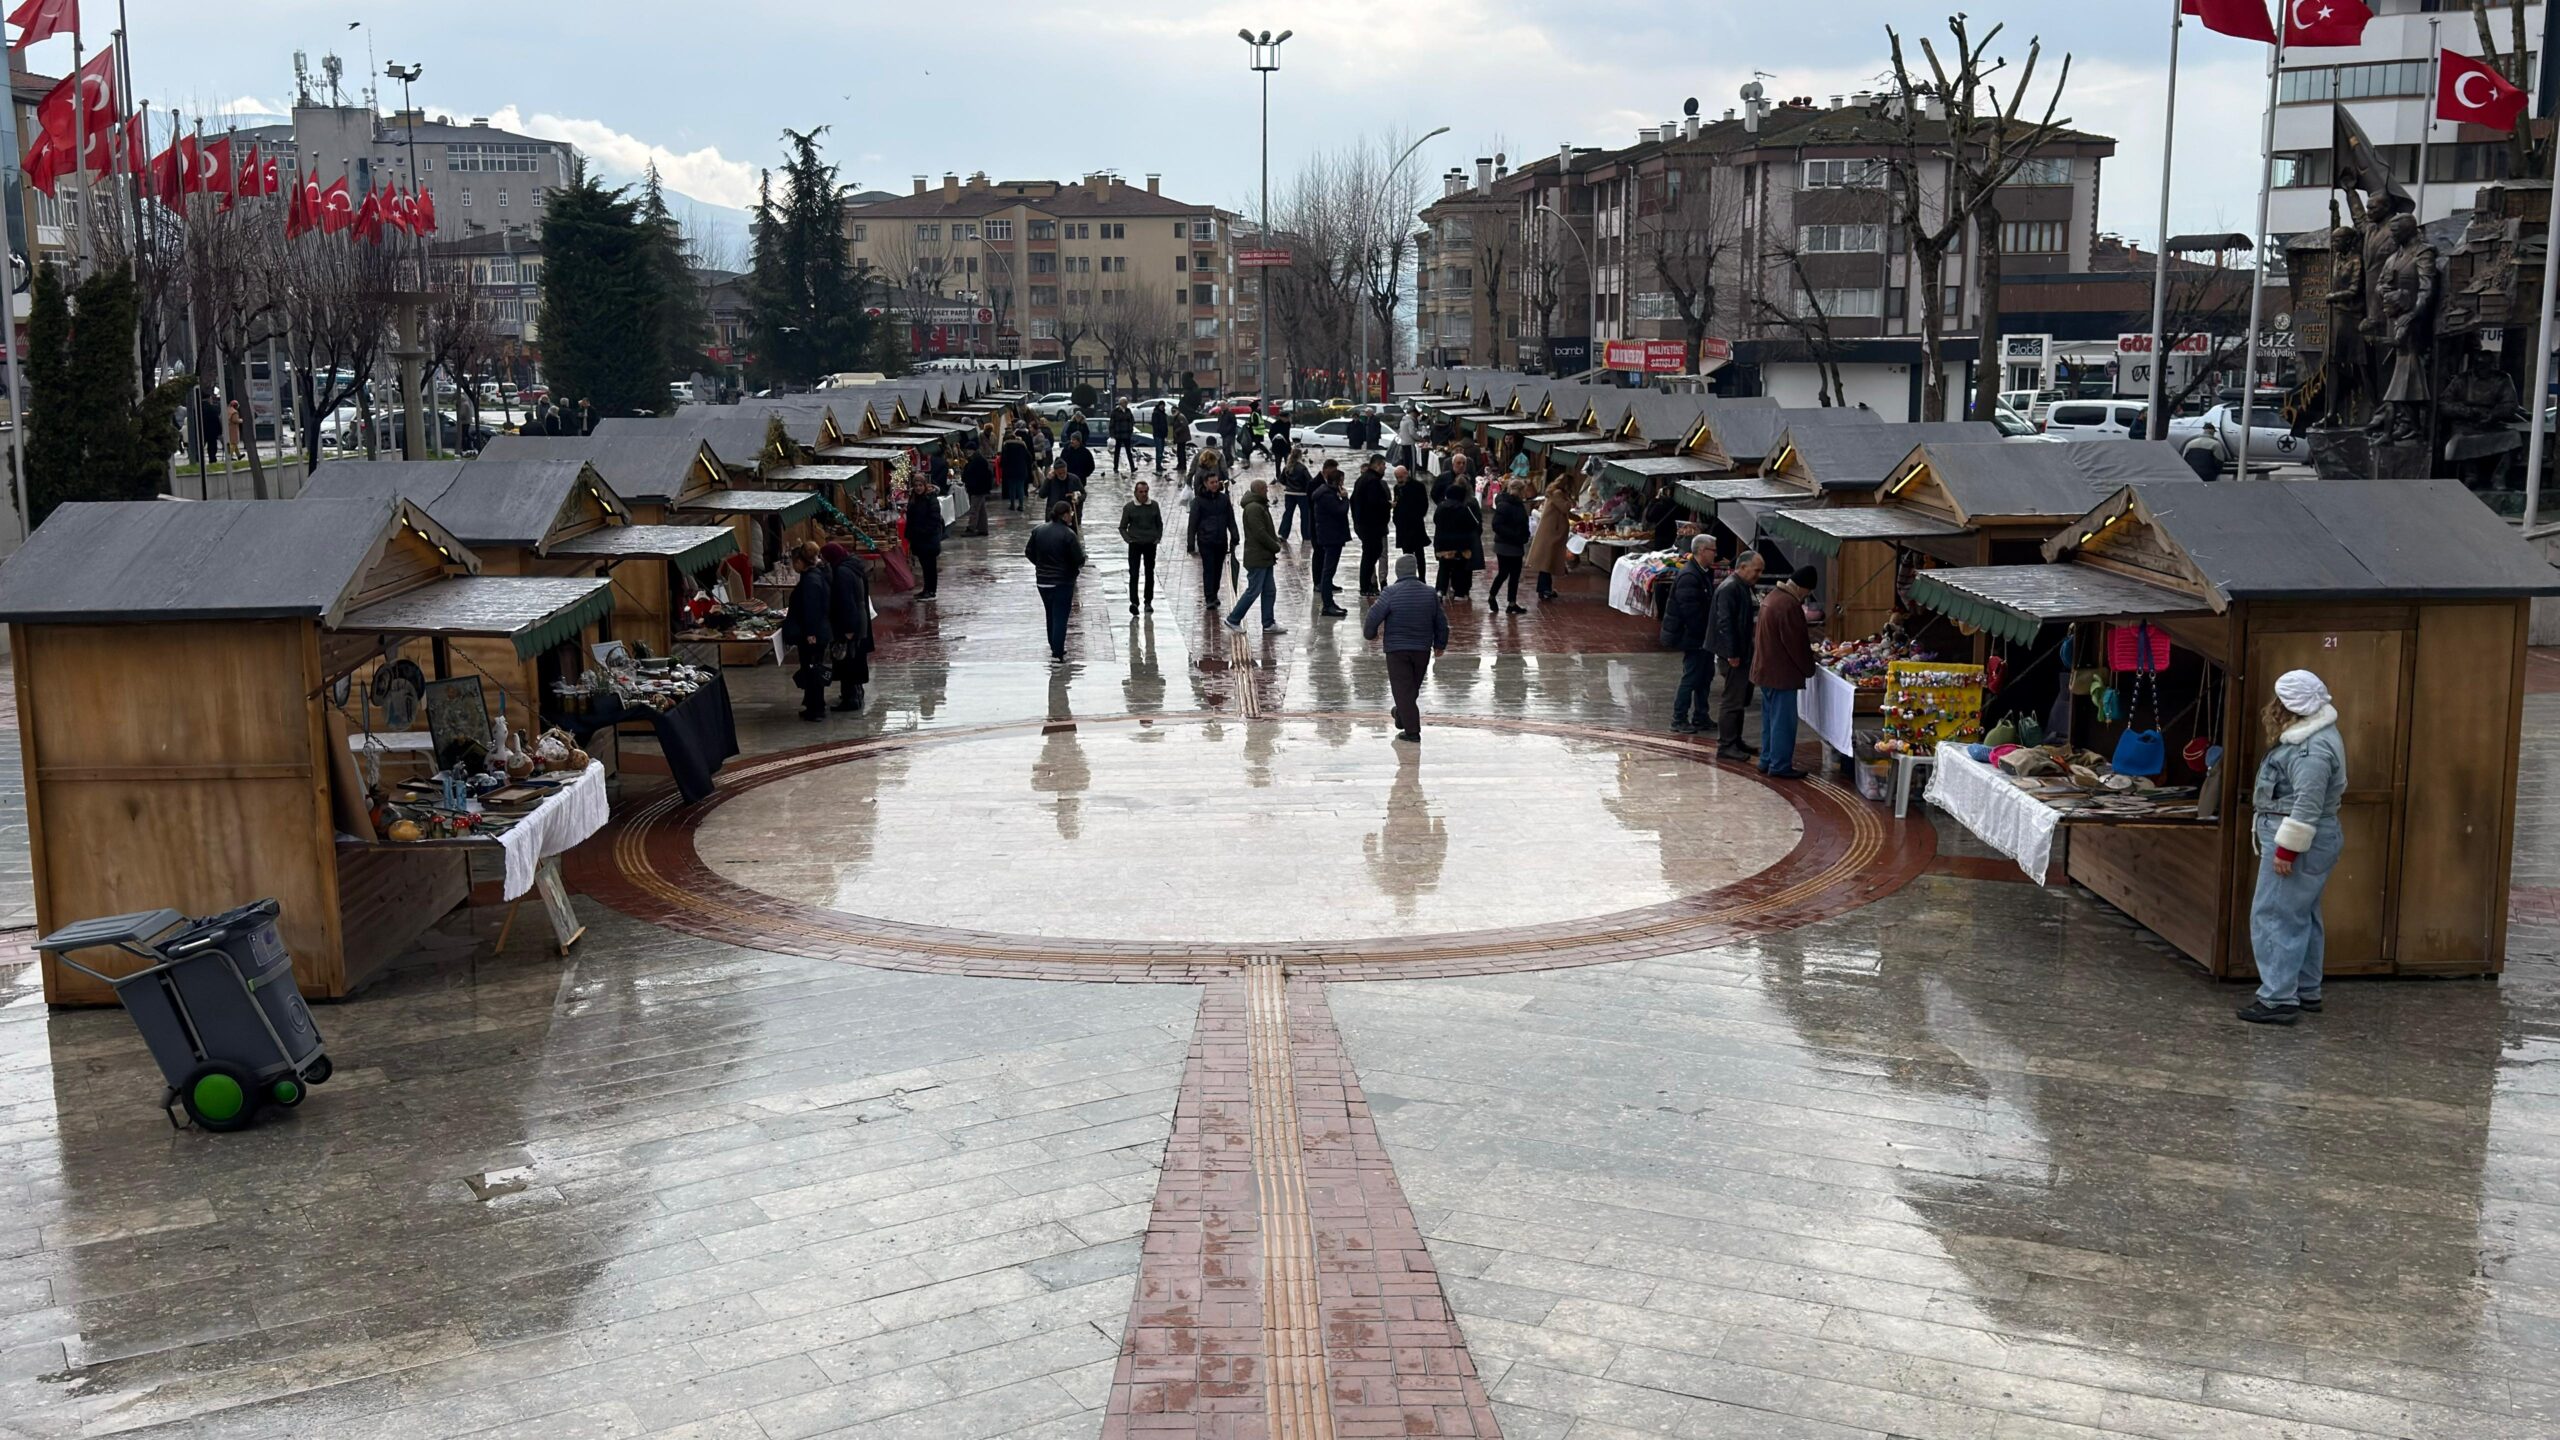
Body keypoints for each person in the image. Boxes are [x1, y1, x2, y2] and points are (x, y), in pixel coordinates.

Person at [2238, 670, 2349, 1026]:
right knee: (2302, 913)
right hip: (2311, 836)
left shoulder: (2309, 748)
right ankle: (2304, 989)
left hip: (2296, 837)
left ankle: (2277, 998)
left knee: (2275, 914)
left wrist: (2286, 850)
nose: (2273, 708)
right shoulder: (2319, 735)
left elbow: (2307, 802)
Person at [1363, 555, 1449, 744]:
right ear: (1415, 570)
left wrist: (1370, 634)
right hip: (1421, 649)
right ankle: (1401, 714)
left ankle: (1412, 732)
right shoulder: (1429, 593)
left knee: (1403, 690)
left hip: (1397, 649)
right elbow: (1441, 622)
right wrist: (1440, 644)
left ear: (1398, 572)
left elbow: (1373, 615)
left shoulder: (1390, 592)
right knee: (1410, 689)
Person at [1749, 565, 1818, 779]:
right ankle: (1779, 764)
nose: (1805, 597)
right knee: (1783, 722)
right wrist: (1809, 668)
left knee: (1770, 719)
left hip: (1766, 670)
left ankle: (1767, 759)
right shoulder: (1789, 605)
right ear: (1801, 587)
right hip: (1782, 674)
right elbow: (1796, 644)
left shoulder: (1773, 597)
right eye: (1806, 593)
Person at [1706, 551, 1764, 761]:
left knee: (1740, 699)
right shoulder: (1730, 588)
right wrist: (1732, 653)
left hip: (1744, 652)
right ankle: (1726, 744)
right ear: (1743, 567)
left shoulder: (1744, 587)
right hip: (1733, 654)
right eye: (1756, 570)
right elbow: (1725, 623)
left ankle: (1736, 740)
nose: (1759, 574)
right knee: (1732, 700)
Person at [1666, 537, 1720, 735]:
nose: (1716, 554)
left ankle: (1701, 715)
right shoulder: (1690, 576)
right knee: (1691, 676)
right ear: (1702, 550)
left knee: (1705, 676)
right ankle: (1679, 718)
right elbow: (1691, 612)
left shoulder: (1702, 572)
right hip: (1694, 636)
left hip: (1702, 636)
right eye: (1713, 550)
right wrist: (1704, 634)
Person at [1026, 501, 1086, 662]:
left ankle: (1054, 646)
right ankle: (1057, 652)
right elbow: (1078, 559)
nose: (1072, 516)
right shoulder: (1069, 534)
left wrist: (1040, 565)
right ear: (1065, 515)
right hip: (1062, 581)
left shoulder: (1038, 530)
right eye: (1070, 514)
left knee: (1050, 614)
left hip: (1043, 581)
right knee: (1060, 616)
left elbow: (1029, 552)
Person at [1224, 479, 1287, 633]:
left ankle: (1268, 623)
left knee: (1269, 590)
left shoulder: (1259, 505)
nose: (1267, 491)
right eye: (1265, 489)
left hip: (1265, 557)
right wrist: (1275, 545)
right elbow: (1260, 532)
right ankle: (1233, 619)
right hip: (1258, 556)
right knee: (1254, 590)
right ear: (1259, 490)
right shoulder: (1253, 508)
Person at [781, 541, 833, 722]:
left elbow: (812, 608)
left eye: (795, 561)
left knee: (812, 669)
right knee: (812, 668)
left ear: (802, 561)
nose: (793, 565)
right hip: (818, 631)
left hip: (813, 634)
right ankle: (814, 704)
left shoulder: (811, 580)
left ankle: (816, 708)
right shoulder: (818, 574)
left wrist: (811, 633)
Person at [823, 541, 872, 713]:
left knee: (847, 661)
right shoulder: (853, 566)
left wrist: (848, 629)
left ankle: (851, 699)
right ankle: (857, 693)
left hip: (850, 623)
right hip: (861, 619)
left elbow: (846, 602)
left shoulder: (842, 572)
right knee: (855, 658)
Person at [1190, 470, 1240, 611]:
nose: (1214, 485)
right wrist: (1190, 543)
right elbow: (1192, 522)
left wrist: (1235, 535)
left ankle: (1215, 593)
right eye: (1211, 482)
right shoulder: (1198, 501)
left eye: (1216, 482)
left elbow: (1230, 518)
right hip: (1206, 540)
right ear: (1205, 484)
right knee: (1209, 569)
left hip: (1221, 539)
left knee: (1218, 569)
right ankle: (1209, 597)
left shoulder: (1224, 499)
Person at [1307, 461, 1352, 617]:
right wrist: (1345, 499)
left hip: (1331, 536)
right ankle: (1327, 605)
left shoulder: (1326, 492)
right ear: (1338, 481)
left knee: (1329, 571)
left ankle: (1330, 602)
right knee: (1328, 572)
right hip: (1331, 537)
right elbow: (1340, 511)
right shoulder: (1326, 495)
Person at [1526, 473, 1578, 602]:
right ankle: (1544, 590)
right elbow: (1565, 508)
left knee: (1547, 563)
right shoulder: (1557, 494)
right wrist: (1571, 501)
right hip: (1551, 534)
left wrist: (1579, 519)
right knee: (1546, 563)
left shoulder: (1555, 493)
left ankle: (1545, 588)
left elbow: (1564, 512)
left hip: (1552, 533)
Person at [1349, 453, 1393, 596]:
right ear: (1377, 465)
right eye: (1383, 465)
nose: (1385, 468)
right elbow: (1375, 503)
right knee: (1370, 554)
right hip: (1371, 526)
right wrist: (1388, 505)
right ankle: (1366, 586)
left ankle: (1367, 585)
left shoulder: (1362, 480)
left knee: (1371, 554)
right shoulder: (1373, 481)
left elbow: (1353, 500)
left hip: (1363, 524)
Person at [1488, 478, 1532, 614]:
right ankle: (1492, 596)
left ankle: (1511, 603)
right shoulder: (1505, 505)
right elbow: (1497, 525)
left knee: (1514, 574)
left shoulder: (1518, 505)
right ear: (1520, 491)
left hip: (1516, 545)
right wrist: (1514, 535)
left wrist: (1524, 535)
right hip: (1506, 545)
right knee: (1504, 573)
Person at [1433, 480, 1482, 599]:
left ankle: (1440, 590)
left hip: (1442, 543)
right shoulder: (1464, 509)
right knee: (1459, 567)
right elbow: (1473, 524)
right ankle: (1459, 592)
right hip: (1461, 544)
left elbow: (1435, 520)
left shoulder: (1441, 507)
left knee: (1444, 566)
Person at [1120, 479, 1163, 614]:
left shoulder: (1154, 506)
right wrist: (1129, 540)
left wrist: (1157, 537)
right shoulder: (1129, 508)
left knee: (1149, 572)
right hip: (1135, 544)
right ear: (1136, 493)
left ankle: (1148, 601)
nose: (1144, 494)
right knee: (1134, 573)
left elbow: (1159, 523)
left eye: (1146, 492)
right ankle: (1134, 602)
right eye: (1141, 492)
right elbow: (1122, 527)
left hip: (1150, 544)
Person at [905, 476, 945, 600]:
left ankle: (931, 590)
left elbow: (934, 519)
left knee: (930, 566)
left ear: (925, 486)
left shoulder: (931, 499)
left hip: (929, 538)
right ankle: (926, 589)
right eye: (916, 486)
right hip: (919, 539)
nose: (918, 488)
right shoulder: (914, 499)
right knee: (924, 566)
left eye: (920, 486)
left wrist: (923, 531)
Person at [1392, 464, 1431, 561]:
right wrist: (1396, 519)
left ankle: (1422, 576)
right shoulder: (1397, 488)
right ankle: (1409, 574)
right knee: (1406, 553)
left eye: (1401, 477)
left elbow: (1424, 504)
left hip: (1415, 524)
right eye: (1397, 478)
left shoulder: (1418, 486)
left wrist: (1418, 516)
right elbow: (1397, 503)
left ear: (1406, 474)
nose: (1399, 480)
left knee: (1419, 553)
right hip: (1402, 525)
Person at [1276, 448, 1315, 540]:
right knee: (1305, 515)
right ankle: (1306, 535)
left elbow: (1281, 480)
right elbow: (1309, 481)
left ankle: (1283, 534)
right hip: (1302, 494)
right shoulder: (1302, 468)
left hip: (1289, 494)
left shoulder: (1287, 467)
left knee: (1288, 513)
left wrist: (1289, 485)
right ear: (1300, 456)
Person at [960, 443, 995, 536]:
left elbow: (976, 475)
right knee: (981, 509)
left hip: (977, 489)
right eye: (967, 450)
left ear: (974, 450)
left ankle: (971, 528)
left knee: (974, 509)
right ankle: (983, 529)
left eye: (970, 450)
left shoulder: (977, 460)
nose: (968, 452)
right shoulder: (977, 459)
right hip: (979, 488)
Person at [1061, 434, 1097, 522]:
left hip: (1080, 481)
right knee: (1065, 499)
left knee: (1078, 501)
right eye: (1071, 439)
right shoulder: (1066, 451)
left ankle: (1077, 519)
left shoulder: (1085, 452)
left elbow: (1091, 466)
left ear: (1079, 441)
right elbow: (1060, 463)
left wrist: (1084, 474)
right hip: (1066, 480)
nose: (1072, 441)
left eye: (1074, 440)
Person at [999, 428, 1034, 511]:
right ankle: (1021, 505)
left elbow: (1003, 459)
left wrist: (1003, 466)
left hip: (1010, 470)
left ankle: (1012, 505)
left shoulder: (1006, 446)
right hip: (1021, 469)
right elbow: (1029, 457)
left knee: (1012, 488)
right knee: (1020, 487)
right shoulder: (1022, 445)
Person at [1644, 480, 1683, 552]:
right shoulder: (1682, 507)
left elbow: (1649, 517)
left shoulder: (1661, 505)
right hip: (1674, 538)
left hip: (1661, 537)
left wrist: (1655, 499)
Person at [1108, 401, 1137, 474]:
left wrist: (1131, 428)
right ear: (1121, 403)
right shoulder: (1115, 412)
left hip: (1127, 434)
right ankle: (1115, 468)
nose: (1126, 404)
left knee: (1129, 452)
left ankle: (1132, 467)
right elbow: (1111, 424)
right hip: (1118, 435)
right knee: (1117, 452)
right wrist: (1112, 434)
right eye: (1125, 403)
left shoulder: (1128, 411)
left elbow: (1132, 420)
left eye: (1126, 403)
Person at [1149, 402, 1172, 472]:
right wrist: (1159, 430)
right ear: (1159, 406)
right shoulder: (1156, 413)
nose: (1162, 407)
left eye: (1163, 406)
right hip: (1158, 435)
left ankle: (1159, 465)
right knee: (1159, 450)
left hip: (1162, 435)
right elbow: (1155, 424)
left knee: (1161, 451)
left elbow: (1165, 424)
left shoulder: (1163, 413)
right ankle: (1158, 465)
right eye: (1161, 405)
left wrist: (1165, 432)